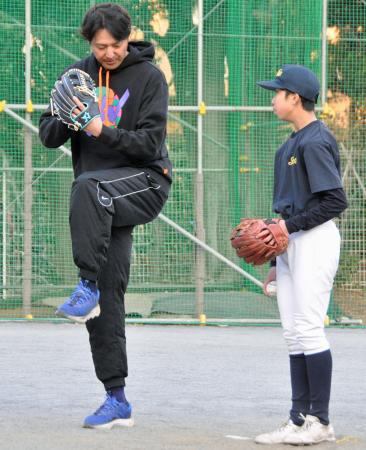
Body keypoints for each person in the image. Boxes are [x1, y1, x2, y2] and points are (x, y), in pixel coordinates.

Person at [39, 3, 172, 429]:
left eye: (115, 45)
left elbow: (149, 144)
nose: (109, 53)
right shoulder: (76, 75)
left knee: (87, 186)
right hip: (99, 200)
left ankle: (85, 284)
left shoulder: (149, 78)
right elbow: (47, 136)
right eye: (100, 47)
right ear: (89, 43)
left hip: (145, 182)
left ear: (128, 36)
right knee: (105, 300)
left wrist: (98, 128)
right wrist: (68, 115)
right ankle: (117, 399)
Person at [254, 65, 348, 445]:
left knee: (309, 328)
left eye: (277, 92)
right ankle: (298, 420)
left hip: (316, 239)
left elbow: (335, 201)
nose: (272, 97)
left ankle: (320, 422)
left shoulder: (315, 141)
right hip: (292, 243)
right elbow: (285, 213)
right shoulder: (288, 146)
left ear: (295, 97)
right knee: (294, 333)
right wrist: (278, 261)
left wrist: (286, 232)